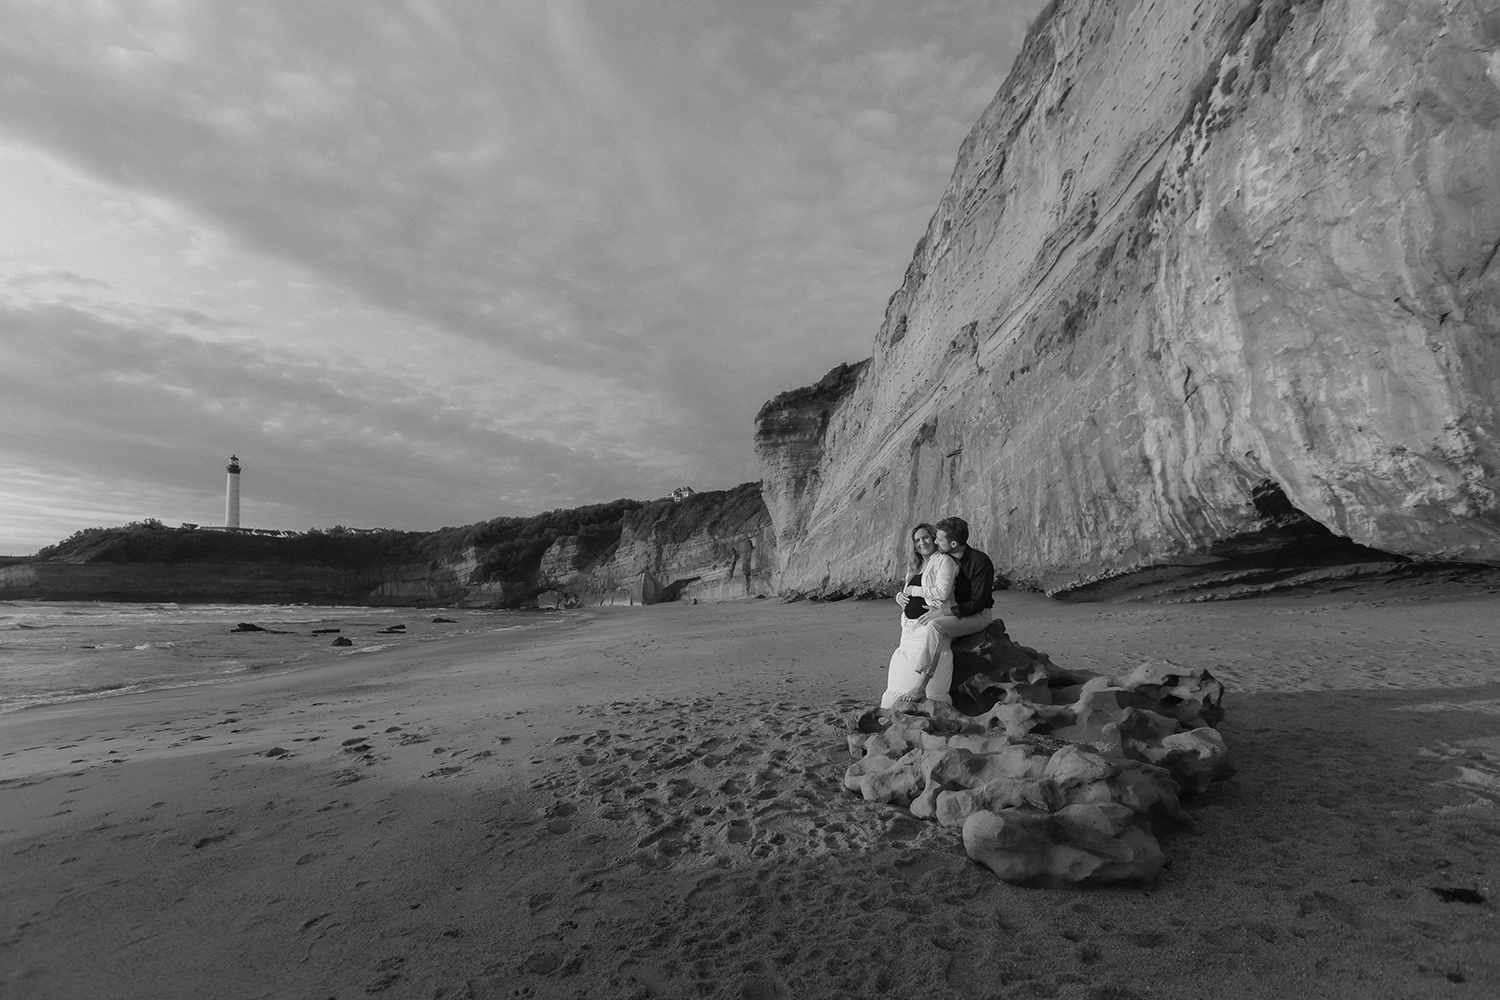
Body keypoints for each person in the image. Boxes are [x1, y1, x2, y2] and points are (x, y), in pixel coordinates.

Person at [897, 515, 995, 704]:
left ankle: (920, 686)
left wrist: (944, 612)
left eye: (939, 539)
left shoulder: (979, 562)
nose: (934, 541)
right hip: (957, 614)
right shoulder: (944, 560)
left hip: (978, 616)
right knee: (934, 624)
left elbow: (978, 603)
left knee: (935, 626)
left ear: (952, 543)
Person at [882, 523, 957, 709]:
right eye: (917, 540)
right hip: (909, 629)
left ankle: (928, 700)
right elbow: (907, 591)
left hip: (929, 625)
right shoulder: (914, 567)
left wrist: (913, 590)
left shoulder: (943, 561)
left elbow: (942, 592)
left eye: (925, 537)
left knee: (931, 668)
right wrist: (900, 596)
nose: (922, 542)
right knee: (901, 675)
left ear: (933, 538)